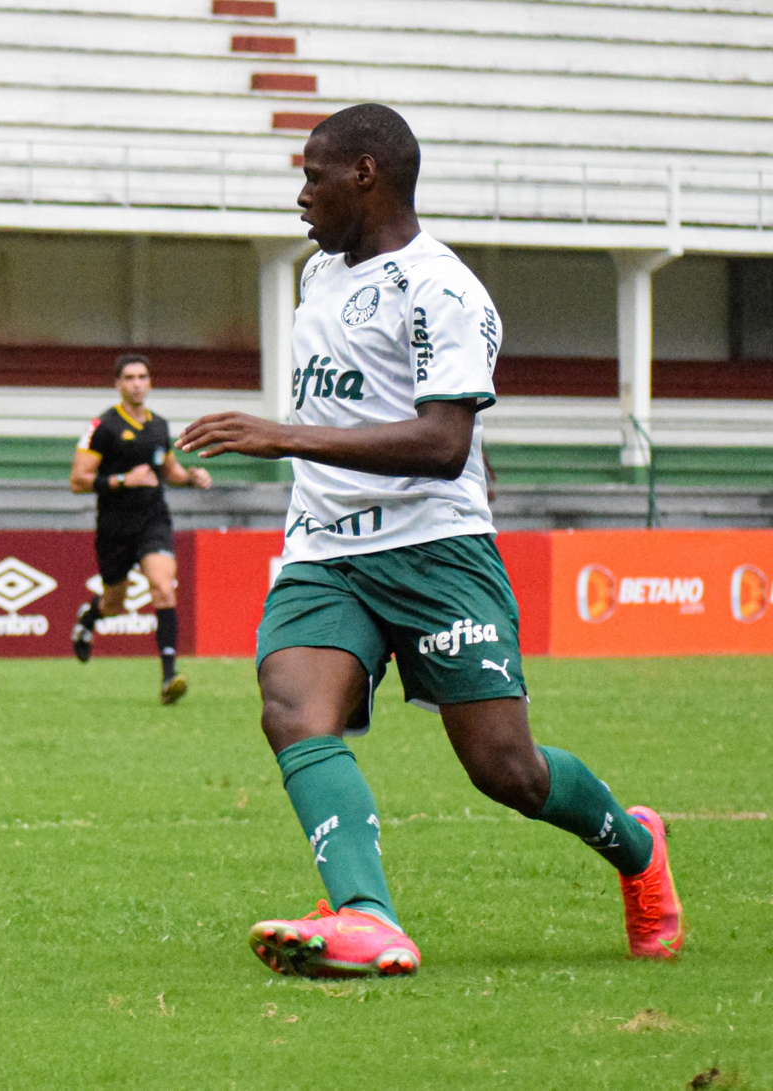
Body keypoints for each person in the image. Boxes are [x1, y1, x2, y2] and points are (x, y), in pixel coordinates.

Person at [177, 104, 682, 977]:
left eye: (313, 177)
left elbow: (445, 443)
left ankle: (637, 848)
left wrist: (281, 435)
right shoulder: (318, 274)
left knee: (507, 770)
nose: (301, 197)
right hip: (325, 546)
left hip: (435, 551)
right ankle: (367, 915)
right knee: (292, 709)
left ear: (365, 174)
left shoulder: (443, 289)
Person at [69, 353, 212, 704]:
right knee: (114, 603)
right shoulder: (103, 427)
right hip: (115, 526)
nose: (137, 384)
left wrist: (190, 478)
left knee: (163, 587)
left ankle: (169, 676)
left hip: (153, 519)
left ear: (150, 382)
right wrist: (123, 479)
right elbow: (78, 480)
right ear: (117, 384)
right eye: (129, 378)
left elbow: (168, 470)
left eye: (142, 377)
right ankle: (88, 619)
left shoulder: (159, 426)